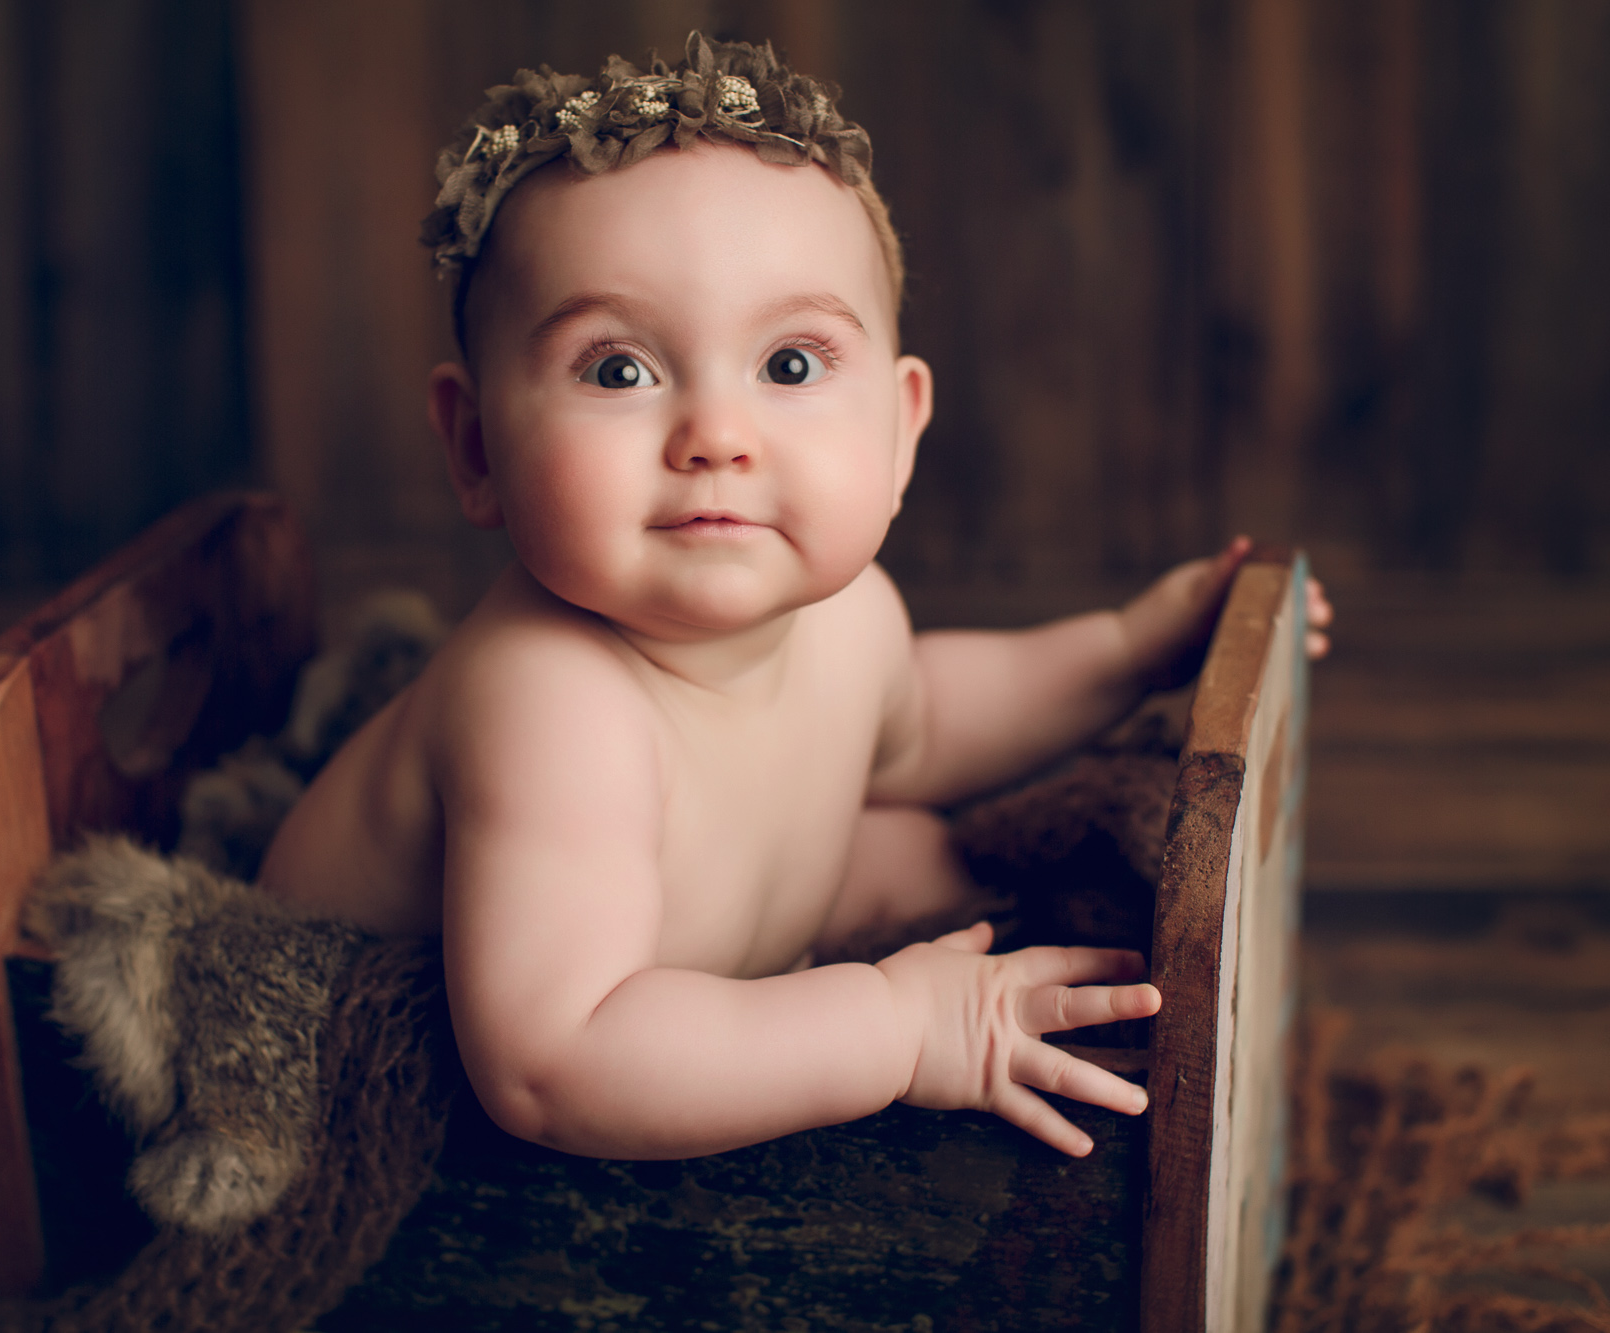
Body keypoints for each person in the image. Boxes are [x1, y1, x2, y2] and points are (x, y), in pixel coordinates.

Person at [258, 34, 1332, 1162]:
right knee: (899, 877)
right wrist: (896, 1025)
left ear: (899, 427)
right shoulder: (549, 703)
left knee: (921, 842)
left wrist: (1128, 648)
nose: (716, 437)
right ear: (475, 446)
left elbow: (922, 719)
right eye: (617, 368)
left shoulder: (849, 610)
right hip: (423, 1029)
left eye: (788, 365)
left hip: (681, 937)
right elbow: (553, 1064)